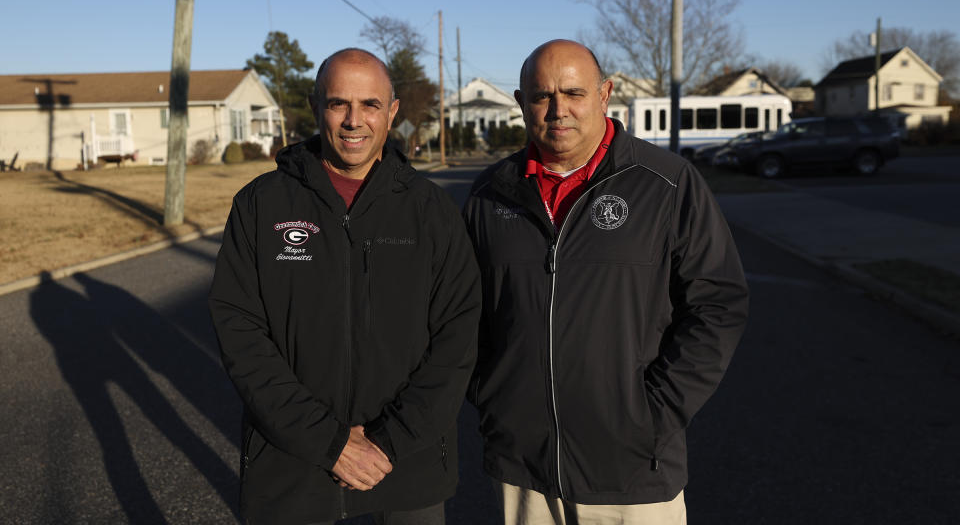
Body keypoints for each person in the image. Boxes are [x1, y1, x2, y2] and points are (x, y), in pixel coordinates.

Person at [462, 39, 749, 524]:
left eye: (574, 92)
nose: (558, 110)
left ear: (605, 94)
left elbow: (717, 305)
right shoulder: (490, 196)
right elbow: (463, 312)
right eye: (541, 96)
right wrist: (494, 398)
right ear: (520, 103)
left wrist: (653, 415)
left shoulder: (667, 182)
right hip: (523, 470)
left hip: (633, 472)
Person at [209, 48, 481, 525]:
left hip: (406, 466)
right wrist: (329, 443)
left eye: (370, 105)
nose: (354, 121)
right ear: (316, 107)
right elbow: (241, 334)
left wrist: (388, 440)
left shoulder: (431, 212)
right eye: (339, 104)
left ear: (393, 111)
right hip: (292, 467)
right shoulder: (261, 205)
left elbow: (458, 340)